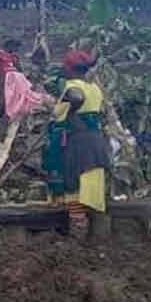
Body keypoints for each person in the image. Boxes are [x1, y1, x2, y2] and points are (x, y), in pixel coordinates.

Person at [43, 50, 111, 237]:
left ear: (70, 69)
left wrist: (49, 104)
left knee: (74, 186)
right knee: (92, 186)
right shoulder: (95, 89)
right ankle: (100, 232)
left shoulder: (71, 87)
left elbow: (59, 114)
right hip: (96, 142)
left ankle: (78, 234)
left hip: (78, 144)